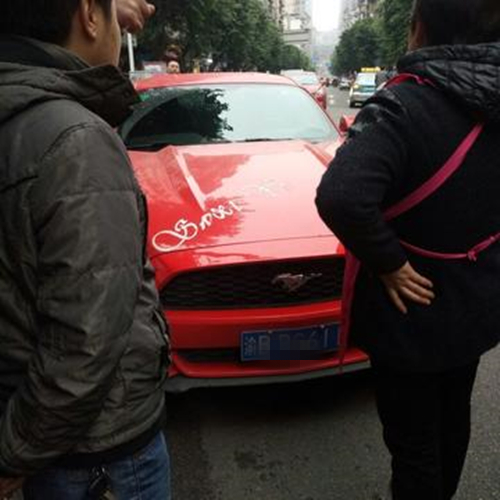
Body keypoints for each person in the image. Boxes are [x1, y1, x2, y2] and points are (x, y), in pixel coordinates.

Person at [316, 0, 500, 499]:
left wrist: (390, 262)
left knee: (415, 446)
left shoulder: (405, 102)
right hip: (475, 304)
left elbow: (341, 195)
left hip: (409, 314)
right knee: (453, 419)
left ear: (419, 28)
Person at [0, 0, 172, 499]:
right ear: (89, 16)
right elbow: (85, 343)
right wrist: (14, 453)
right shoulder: (75, 140)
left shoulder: (19, 116)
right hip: (100, 457)